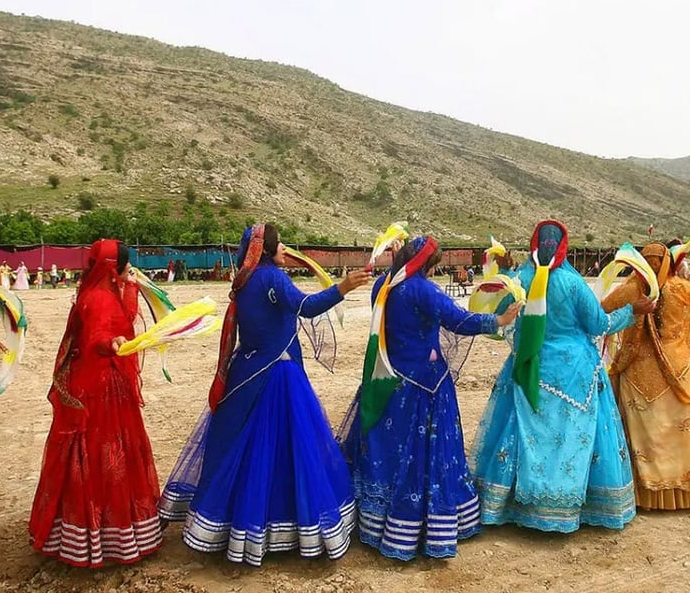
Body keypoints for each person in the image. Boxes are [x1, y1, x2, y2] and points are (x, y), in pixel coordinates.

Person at [158, 224, 370, 565]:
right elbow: (305, 306)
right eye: (280, 243)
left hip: (247, 368)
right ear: (268, 249)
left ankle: (226, 522)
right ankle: (282, 523)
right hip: (278, 373)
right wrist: (341, 287)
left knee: (240, 443)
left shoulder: (243, 280)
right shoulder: (272, 278)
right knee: (286, 445)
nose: (285, 248)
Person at [339, 235, 520, 561]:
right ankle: (419, 529)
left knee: (387, 448)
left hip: (389, 379)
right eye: (434, 266)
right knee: (426, 454)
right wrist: (500, 320)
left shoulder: (384, 285)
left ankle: (374, 521)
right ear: (426, 264)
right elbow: (459, 321)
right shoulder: (422, 290)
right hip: (424, 386)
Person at [470, 220, 650, 532]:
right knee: (574, 435)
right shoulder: (572, 283)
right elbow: (599, 326)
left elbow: (502, 317)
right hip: (574, 372)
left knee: (520, 430)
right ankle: (575, 505)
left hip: (529, 367)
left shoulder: (519, 279)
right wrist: (631, 311)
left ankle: (510, 504)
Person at [29, 239, 163, 567]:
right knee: (107, 453)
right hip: (103, 386)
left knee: (100, 452)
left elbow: (122, 320)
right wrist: (111, 342)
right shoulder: (100, 297)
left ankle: (83, 534)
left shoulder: (99, 291)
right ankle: (106, 536)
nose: (128, 271)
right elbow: (98, 335)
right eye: (125, 266)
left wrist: (130, 288)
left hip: (98, 379)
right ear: (112, 267)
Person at [601, 242, 690, 510]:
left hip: (637, 369)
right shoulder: (679, 288)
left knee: (642, 430)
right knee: (678, 428)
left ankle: (644, 492)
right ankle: (685, 488)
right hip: (678, 367)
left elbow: (602, 309)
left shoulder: (630, 290)